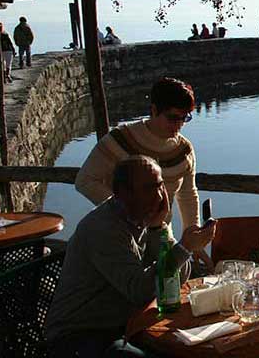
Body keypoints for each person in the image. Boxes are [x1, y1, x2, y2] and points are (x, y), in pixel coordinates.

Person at [46, 156, 217, 358]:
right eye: (148, 188)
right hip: (80, 335)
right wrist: (184, 247)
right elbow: (141, 291)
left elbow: (178, 278)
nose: (159, 195)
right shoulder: (104, 229)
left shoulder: (145, 217)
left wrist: (158, 229)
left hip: (125, 324)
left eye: (160, 185)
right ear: (123, 194)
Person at [75, 77, 211, 266]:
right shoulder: (119, 140)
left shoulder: (184, 150)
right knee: (139, 288)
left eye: (185, 117)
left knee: (167, 286)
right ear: (154, 110)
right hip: (121, 236)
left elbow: (187, 194)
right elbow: (85, 180)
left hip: (162, 234)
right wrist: (129, 212)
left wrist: (192, 239)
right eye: (173, 118)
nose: (179, 124)